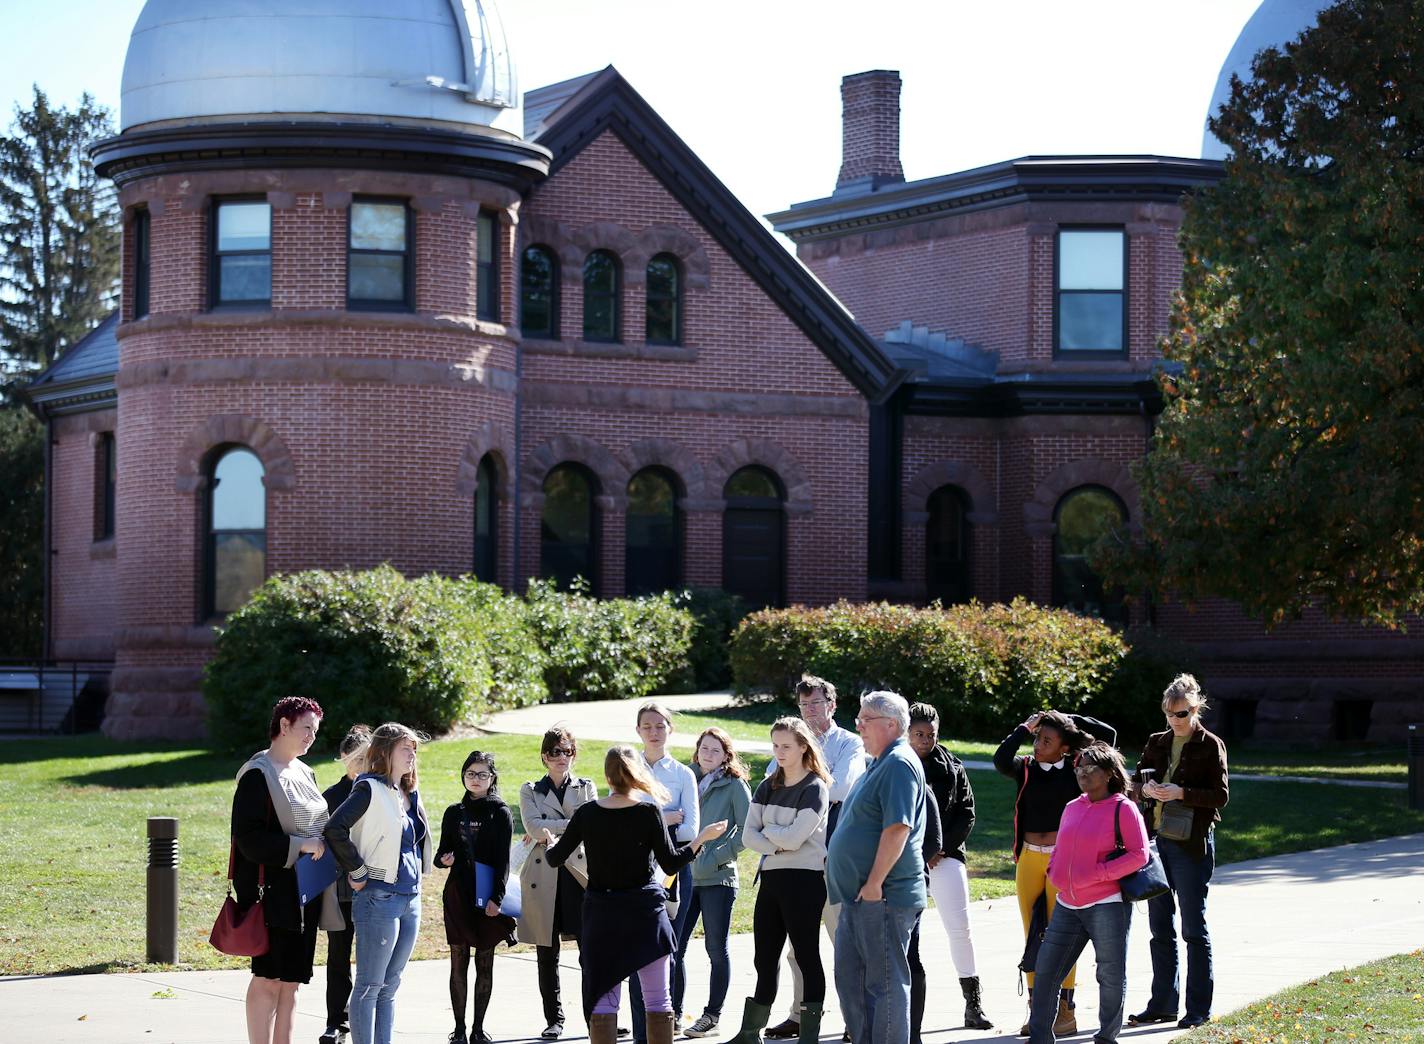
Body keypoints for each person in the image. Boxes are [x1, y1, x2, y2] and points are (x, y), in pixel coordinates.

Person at [542, 745, 728, 1044]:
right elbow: (670, 862)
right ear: (637, 774)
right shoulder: (648, 811)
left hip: (602, 915)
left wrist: (552, 843)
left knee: (604, 998)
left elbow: (555, 858)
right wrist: (701, 839)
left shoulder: (588, 813)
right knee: (658, 1000)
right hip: (644, 914)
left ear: (607, 776)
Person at [993, 708, 1115, 1037]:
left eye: (1047, 740)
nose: (1037, 745)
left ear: (1064, 747)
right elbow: (1001, 759)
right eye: (1037, 738)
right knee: (1033, 933)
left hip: (1063, 863)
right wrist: (1023, 727)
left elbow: (1109, 735)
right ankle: (1037, 1010)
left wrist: (1067, 716)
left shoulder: (1078, 769)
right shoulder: (1026, 769)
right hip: (1029, 860)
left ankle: (1065, 1011)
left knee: (1063, 935)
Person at [231, 696, 341, 1044]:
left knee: (291, 980)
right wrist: (300, 845)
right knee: (268, 978)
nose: (312, 736)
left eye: (315, 729)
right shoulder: (257, 774)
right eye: (307, 727)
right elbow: (248, 840)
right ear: (284, 726)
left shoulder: (304, 772)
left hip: (305, 891)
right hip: (271, 894)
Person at [1025, 742, 1149, 1044]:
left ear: (1108, 774)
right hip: (1067, 903)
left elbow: (1139, 854)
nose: (1082, 773)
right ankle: (1040, 1038)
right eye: (1079, 766)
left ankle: (1106, 1038)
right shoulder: (1072, 806)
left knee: (1109, 975)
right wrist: (1054, 872)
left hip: (1106, 904)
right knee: (1046, 972)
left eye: (1090, 768)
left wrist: (1098, 874)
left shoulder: (1124, 808)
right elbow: (1061, 848)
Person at [765, 675, 866, 1041]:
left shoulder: (849, 744)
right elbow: (771, 785)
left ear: (832, 705)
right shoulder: (791, 741)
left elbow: (842, 787)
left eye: (816, 703)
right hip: (798, 863)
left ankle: (857, 1020)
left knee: (845, 945)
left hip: (836, 861)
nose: (810, 711)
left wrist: (800, 783)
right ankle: (800, 1015)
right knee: (798, 948)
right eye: (804, 705)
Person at [1128, 674, 1230, 1031]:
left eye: (1183, 713)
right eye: (1170, 714)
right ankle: (1162, 1004)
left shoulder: (1210, 744)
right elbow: (1133, 784)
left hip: (1190, 844)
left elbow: (1220, 796)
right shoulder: (1157, 741)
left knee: (1192, 928)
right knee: (1159, 928)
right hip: (1156, 841)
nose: (1176, 720)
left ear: (1196, 708)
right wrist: (1148, 789)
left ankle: (1198, 1008)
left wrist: (1181, 793)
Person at [722, 717, 831, 1044]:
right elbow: (748, 835)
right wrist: (777, 841)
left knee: (807, 955)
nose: (779, 752)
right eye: (775, 746)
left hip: (805, 882)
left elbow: (797, 838)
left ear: (802, 748)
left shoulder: (816, 787)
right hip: (771, 881)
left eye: (786, 746)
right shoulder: (767, 786)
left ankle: (808, 1035)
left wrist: (770, 836)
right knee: (764, 957)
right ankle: (750, 1033)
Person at [827, 691, 927, 1044]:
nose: (858, 725)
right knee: (851, 981)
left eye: (865, 719)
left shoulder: (899, 762)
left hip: (884, 896)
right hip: (862, 896)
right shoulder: (879, 763)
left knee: (883, 984)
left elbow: (898, 827)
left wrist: (873, 884)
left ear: (891, 724)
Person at [324, 723, 434, 1044]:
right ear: (385, 752)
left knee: (390, 986)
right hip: (378, 898)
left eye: (414, 750)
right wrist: (357, 870)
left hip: (410, 899)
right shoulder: (368, 788)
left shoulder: (408, 791)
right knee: (370, 985)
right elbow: (335, 829)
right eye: (405, 749)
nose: (412, 755)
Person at [906, 703, 992, 1031]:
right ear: (905, 731)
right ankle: (890, 1007)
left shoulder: (952, 766)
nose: (925, 740)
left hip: (945, 855)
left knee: (960, 929)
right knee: (899, 935)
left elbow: (967, 812)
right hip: (902, 858)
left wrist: (938, 848)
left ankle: (973, 1003)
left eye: (931, 734)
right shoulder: (895, 764)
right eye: (918, 734)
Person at [519, 726, 598, 1041]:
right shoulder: (530, 790)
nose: (561, 757)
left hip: (580, 876)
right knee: (546, 952)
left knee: (588, 951)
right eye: (554, 752)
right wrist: (574, 824)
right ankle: (554, 1019)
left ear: (573, 754)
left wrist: (555, 828)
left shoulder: (586, 787)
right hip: (544, 876)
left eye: (566, 751)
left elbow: (592, 825)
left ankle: (596, 1017)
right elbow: (533, 828)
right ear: (544, 756)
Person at [629, 702, 700, 1043]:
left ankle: (667, 1022)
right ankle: (642, 1027)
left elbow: (691, 828)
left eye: (660, 726)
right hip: (634, 867)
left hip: (674, 864)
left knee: (669, 947)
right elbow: (622, 818)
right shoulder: (628, 768)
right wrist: (665, 815)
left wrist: (649, 815)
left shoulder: (684, 774)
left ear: (670, 729)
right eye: (647, 726)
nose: (654, 732)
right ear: (638, 731)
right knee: (637, 950)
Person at [436, 751, 519, 1044]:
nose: (476, 779)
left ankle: (477, 1030)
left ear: (492, 778)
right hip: (458, 892)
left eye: (482, 774)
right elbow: (441, 855)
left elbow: (503, 861)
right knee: (458, 961)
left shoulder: (500, 812)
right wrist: (444, 859)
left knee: (485, 960)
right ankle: (459, 1029)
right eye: (471, 773)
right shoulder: (453, 812)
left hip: (487, 896)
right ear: (463, 775)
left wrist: (496, 897)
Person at [676, 727, 753, 1038]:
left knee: (715, 949)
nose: (708, 754)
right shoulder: (684, 778)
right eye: (705, 748)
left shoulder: (735, 785)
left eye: (716, 750)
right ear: (697, 750)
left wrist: (720, 854)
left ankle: (712, 1016)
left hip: (718, 878)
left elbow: (748, 830)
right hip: (683, 874)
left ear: (726, 755)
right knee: (675, 948)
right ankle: (674, 1012)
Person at [320, 723, 373, 1044]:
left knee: (371, 957)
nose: (361, 764)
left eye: (366, 757)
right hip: (340, 889)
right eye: (355, 758)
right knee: (338, 955)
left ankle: (366, 1021)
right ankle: (336, 1023)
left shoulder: (377, 792)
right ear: (342, 757)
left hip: (374, 887)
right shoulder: (331, 797)